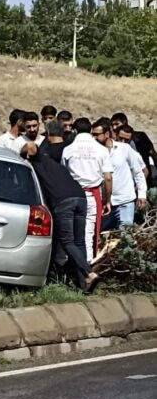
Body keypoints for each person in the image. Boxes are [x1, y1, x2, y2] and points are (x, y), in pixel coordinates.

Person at [23, 141, 98, 291]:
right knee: (79, 242)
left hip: (64, 202)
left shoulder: (39, 160)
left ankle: (89, 273)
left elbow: (30, 145)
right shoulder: (58, 166)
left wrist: (22, 155)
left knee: (67, 242)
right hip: (81, 198)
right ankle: (84, 285)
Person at [62, 117, 113, 262]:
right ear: (90, 130)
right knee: (88, 233)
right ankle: (87, 267)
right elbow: (108, 178)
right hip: (92, 194)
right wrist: (107, 200)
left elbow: (64, 174)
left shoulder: (68, 149)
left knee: (71, 233)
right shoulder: (102, 150)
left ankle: (71, 265)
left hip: (72, 194)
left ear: (75, 130)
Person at [91, 117, 147, 229]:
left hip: (125, 201)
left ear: (107, 134)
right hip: (103, 204)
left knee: (124, 237)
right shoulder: (93, 152)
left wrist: (141, 194)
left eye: (97, 134)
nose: (93, 138)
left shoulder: (124, 149)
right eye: (92, 134)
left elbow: (138, 172)